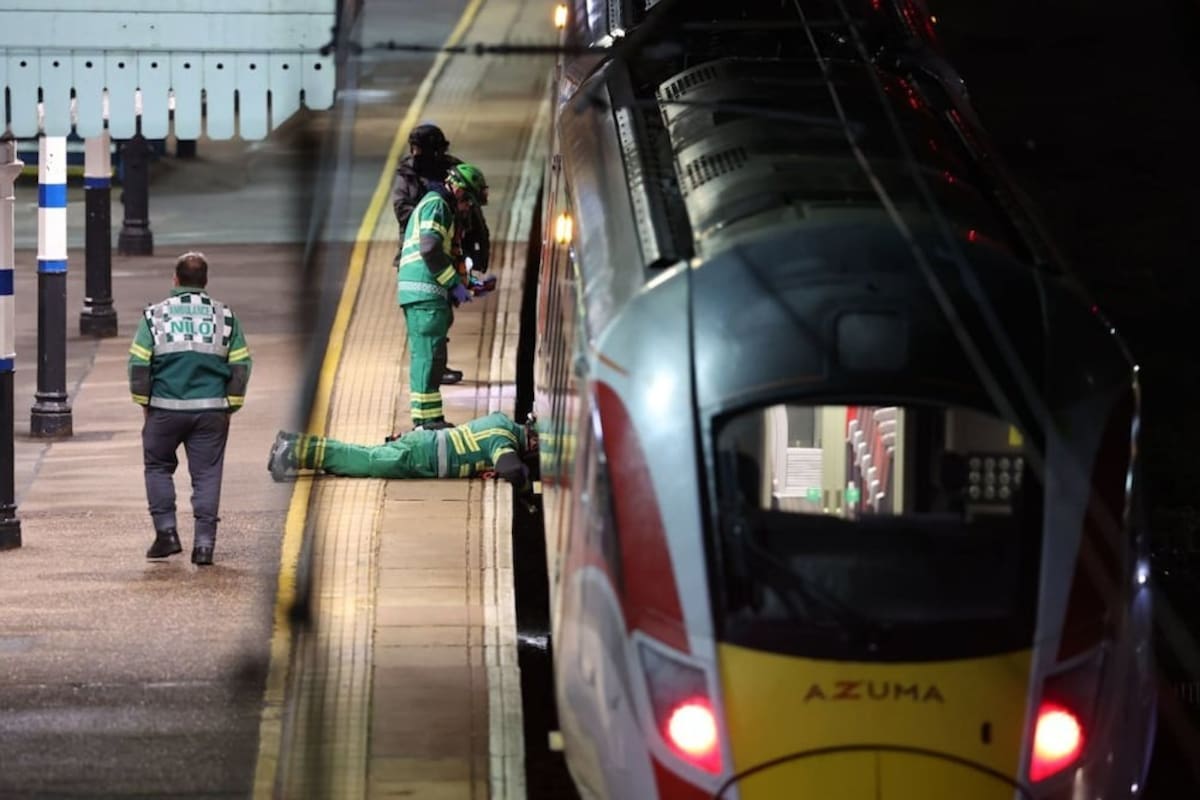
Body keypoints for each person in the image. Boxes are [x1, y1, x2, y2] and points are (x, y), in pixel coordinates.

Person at [128, 252, 252, 566]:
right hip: (211, 410)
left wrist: (145, 403)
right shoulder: (225, 316)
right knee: (207, 475)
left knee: (157, 467)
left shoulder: (155, 316)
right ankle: (205, 546)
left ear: (176, 280)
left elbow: (139, 364)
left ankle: (167, 534)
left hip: (164, 409)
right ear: (205, 282)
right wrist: (230, 406)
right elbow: (241, 366)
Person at [391, 123, 494, 386]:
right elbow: (404, 212)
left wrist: (479, 254)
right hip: (424, 256)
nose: (415, 153)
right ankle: (436, 364)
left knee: (442, 313)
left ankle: (438, 363)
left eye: (419, 148)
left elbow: (474, 214)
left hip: (449, 249)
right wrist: (430, 216)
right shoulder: (416, 182)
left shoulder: (453, 173)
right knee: (433, 315)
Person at [396, 161, 489, 431]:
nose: (469, 209)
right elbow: (430, 249)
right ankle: (426, 423)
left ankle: (429, 419)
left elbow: (447, 255)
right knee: (428, 357)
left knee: (432, 357)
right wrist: (453, 284)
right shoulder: (438, 206)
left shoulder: (439, 206)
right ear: (459, 191)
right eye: (469, 202)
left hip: (426, 293)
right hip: (424, 292)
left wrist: (470, 283)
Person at [266, 411, 537, 498]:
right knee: (362, 461)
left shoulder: (500, 421)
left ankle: (294, 443)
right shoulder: (504, 439)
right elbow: (511, 468)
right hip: (420, 457)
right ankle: (295, 452)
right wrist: (525, 486)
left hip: (422, 443)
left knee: (362, 453)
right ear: (532, 442)